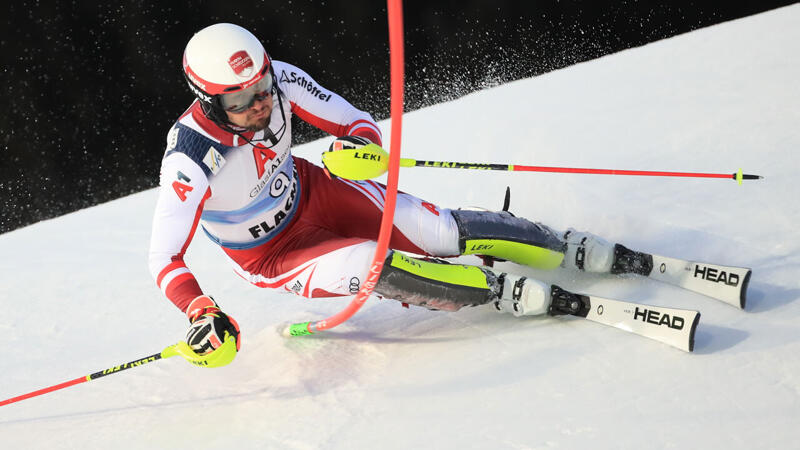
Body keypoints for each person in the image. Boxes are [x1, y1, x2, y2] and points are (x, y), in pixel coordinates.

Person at [149, 23, 630, 366]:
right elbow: (163, 257)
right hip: (274, 254)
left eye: (261, 87)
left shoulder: (280, 81)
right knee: (370, 263)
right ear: (209, 102)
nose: (259, 105)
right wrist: (200, 309)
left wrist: (358, 147)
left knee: (440, 230)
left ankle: (559, 245)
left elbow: (355, 122)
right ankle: (496, 291)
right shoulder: (189, 159)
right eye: (239, 101)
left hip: (317, 192)